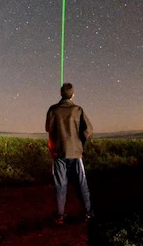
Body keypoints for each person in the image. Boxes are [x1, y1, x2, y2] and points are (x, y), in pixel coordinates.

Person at [45, 83, 94, 225]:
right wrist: (80, 145)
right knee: (81, 183)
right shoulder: (78, 110)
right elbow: (88, 131)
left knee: (60, 184)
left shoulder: (53, 110)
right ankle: (88, 213)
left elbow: (48, 128)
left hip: (59, 153)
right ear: (72, 95)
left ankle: (60, 216)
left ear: (61, 94)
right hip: (75, 153)